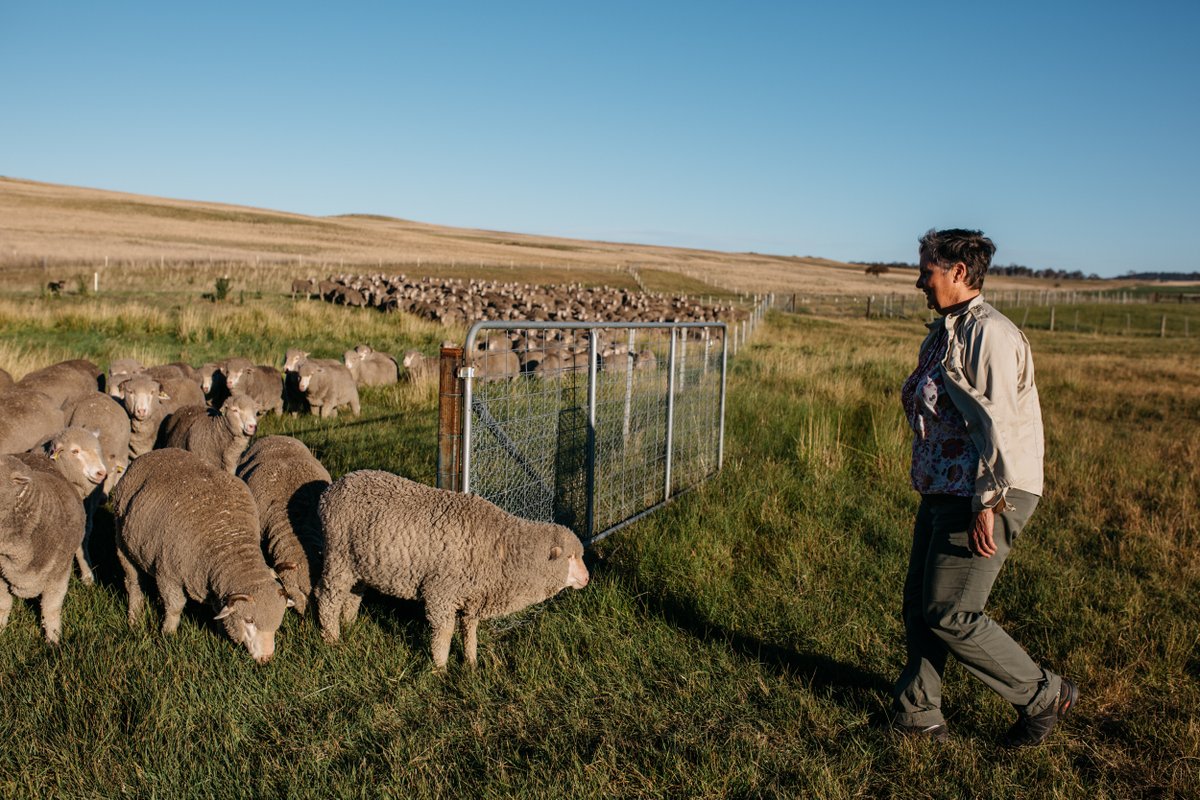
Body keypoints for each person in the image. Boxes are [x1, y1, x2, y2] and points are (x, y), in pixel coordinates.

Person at [891, 228, 1077, 746]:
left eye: (926, 270)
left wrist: (989, 502)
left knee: (951, 611)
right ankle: (918, 716)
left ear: (957, 272)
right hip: (943, 490)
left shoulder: (989, 334)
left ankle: (1044, 695)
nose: (918, 281)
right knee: (920, 605)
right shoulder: (945, 330)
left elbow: (998, 423)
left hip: (988, 492)